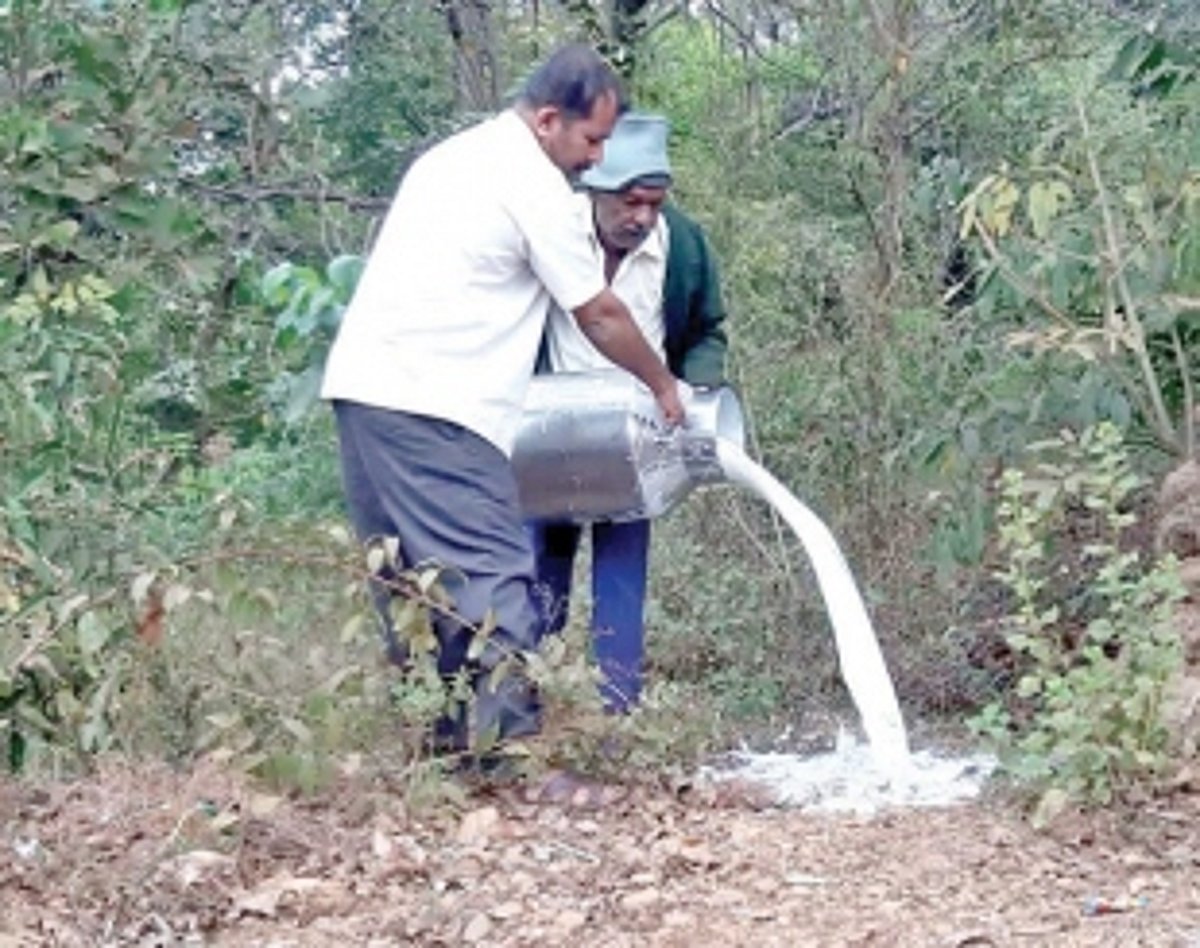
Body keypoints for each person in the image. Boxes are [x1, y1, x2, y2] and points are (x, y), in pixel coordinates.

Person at [319, 46, 686, 752]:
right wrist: (662, 385)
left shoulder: (456, 158)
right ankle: (513, 762)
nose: (598, 157)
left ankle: (440, 753)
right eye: (593, 140)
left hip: (367, 393)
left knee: (414, 583)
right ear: (549, 121)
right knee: (493, 574)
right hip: (436, 404)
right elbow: (601, 314)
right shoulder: (534, 185)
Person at [529, 112, 728, 713]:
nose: (641, 217)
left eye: (654, 203)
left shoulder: (683, 244)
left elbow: (707, 331)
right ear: (594, 190)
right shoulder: (549, 230)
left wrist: (694, 387)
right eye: (628, 202)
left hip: (635, 440)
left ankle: (619, 713)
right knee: (539, 572)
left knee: (621, 576)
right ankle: (530, 706)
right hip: (543, 433)